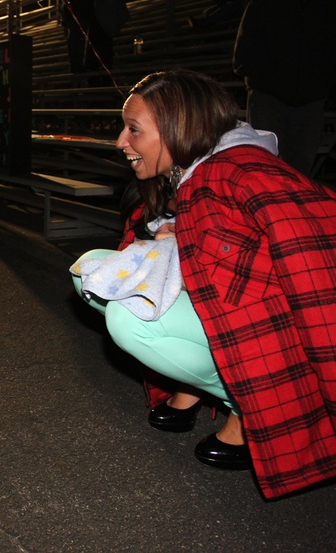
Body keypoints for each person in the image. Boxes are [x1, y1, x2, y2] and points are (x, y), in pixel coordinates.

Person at [71, 69, 336, 500]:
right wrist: (180, 233)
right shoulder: (185, 169)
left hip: (273, 329)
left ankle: (246, 410)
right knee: (91, 270)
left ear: (178, 129)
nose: (120, 141)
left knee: (127, 318)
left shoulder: (242, 170)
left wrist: (189, 238)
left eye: (133, 130)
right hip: (232, 307)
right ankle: (193, 385)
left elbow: (301, 266)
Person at [233, 0, 336, 176]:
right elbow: (244, 52)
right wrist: (262, 78)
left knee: (300, 168)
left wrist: (324, 84)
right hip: (268, 98)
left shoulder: (330, 2)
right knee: (264, 165)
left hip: (311, 102)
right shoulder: (266, 0)